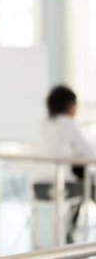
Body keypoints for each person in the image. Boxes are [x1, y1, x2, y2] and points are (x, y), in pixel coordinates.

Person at [38, 85, 94, 241]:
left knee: (86, 186)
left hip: (40, 186)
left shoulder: (45, 124)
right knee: (89, 187)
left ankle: (70, 232)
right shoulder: (69, 124)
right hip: (64, 186)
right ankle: (71, 232)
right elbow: (90, 152)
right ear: (70, 105)